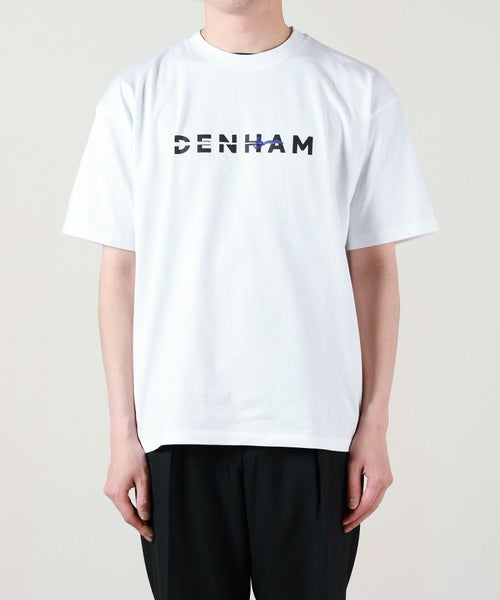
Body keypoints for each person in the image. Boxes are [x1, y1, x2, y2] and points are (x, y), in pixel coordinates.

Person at [60, 1, 440, 598]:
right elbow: (121, 270)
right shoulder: (137, 95)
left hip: (314, 426)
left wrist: (375, 422)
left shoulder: (358, 92)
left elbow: (372, 266)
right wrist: (121, 434)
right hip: (178, 424)